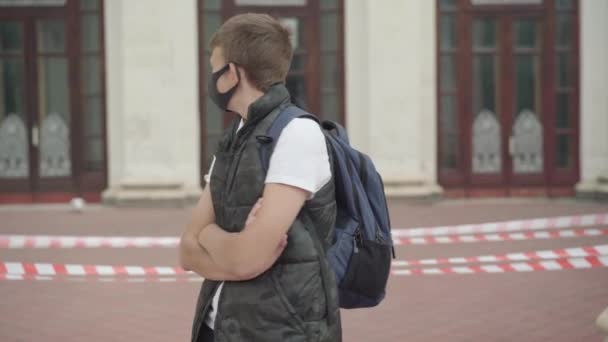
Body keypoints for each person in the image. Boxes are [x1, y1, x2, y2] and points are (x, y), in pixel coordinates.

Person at [179, 13, 342, 342]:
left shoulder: (297, 134)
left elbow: (246, 257)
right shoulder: (236, 136)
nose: (211, 80)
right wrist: (229, 248)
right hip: (218, 327)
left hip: (281, 330)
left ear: (234, 73)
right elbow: (187, 251)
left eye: (215, 70)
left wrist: (211, 237)